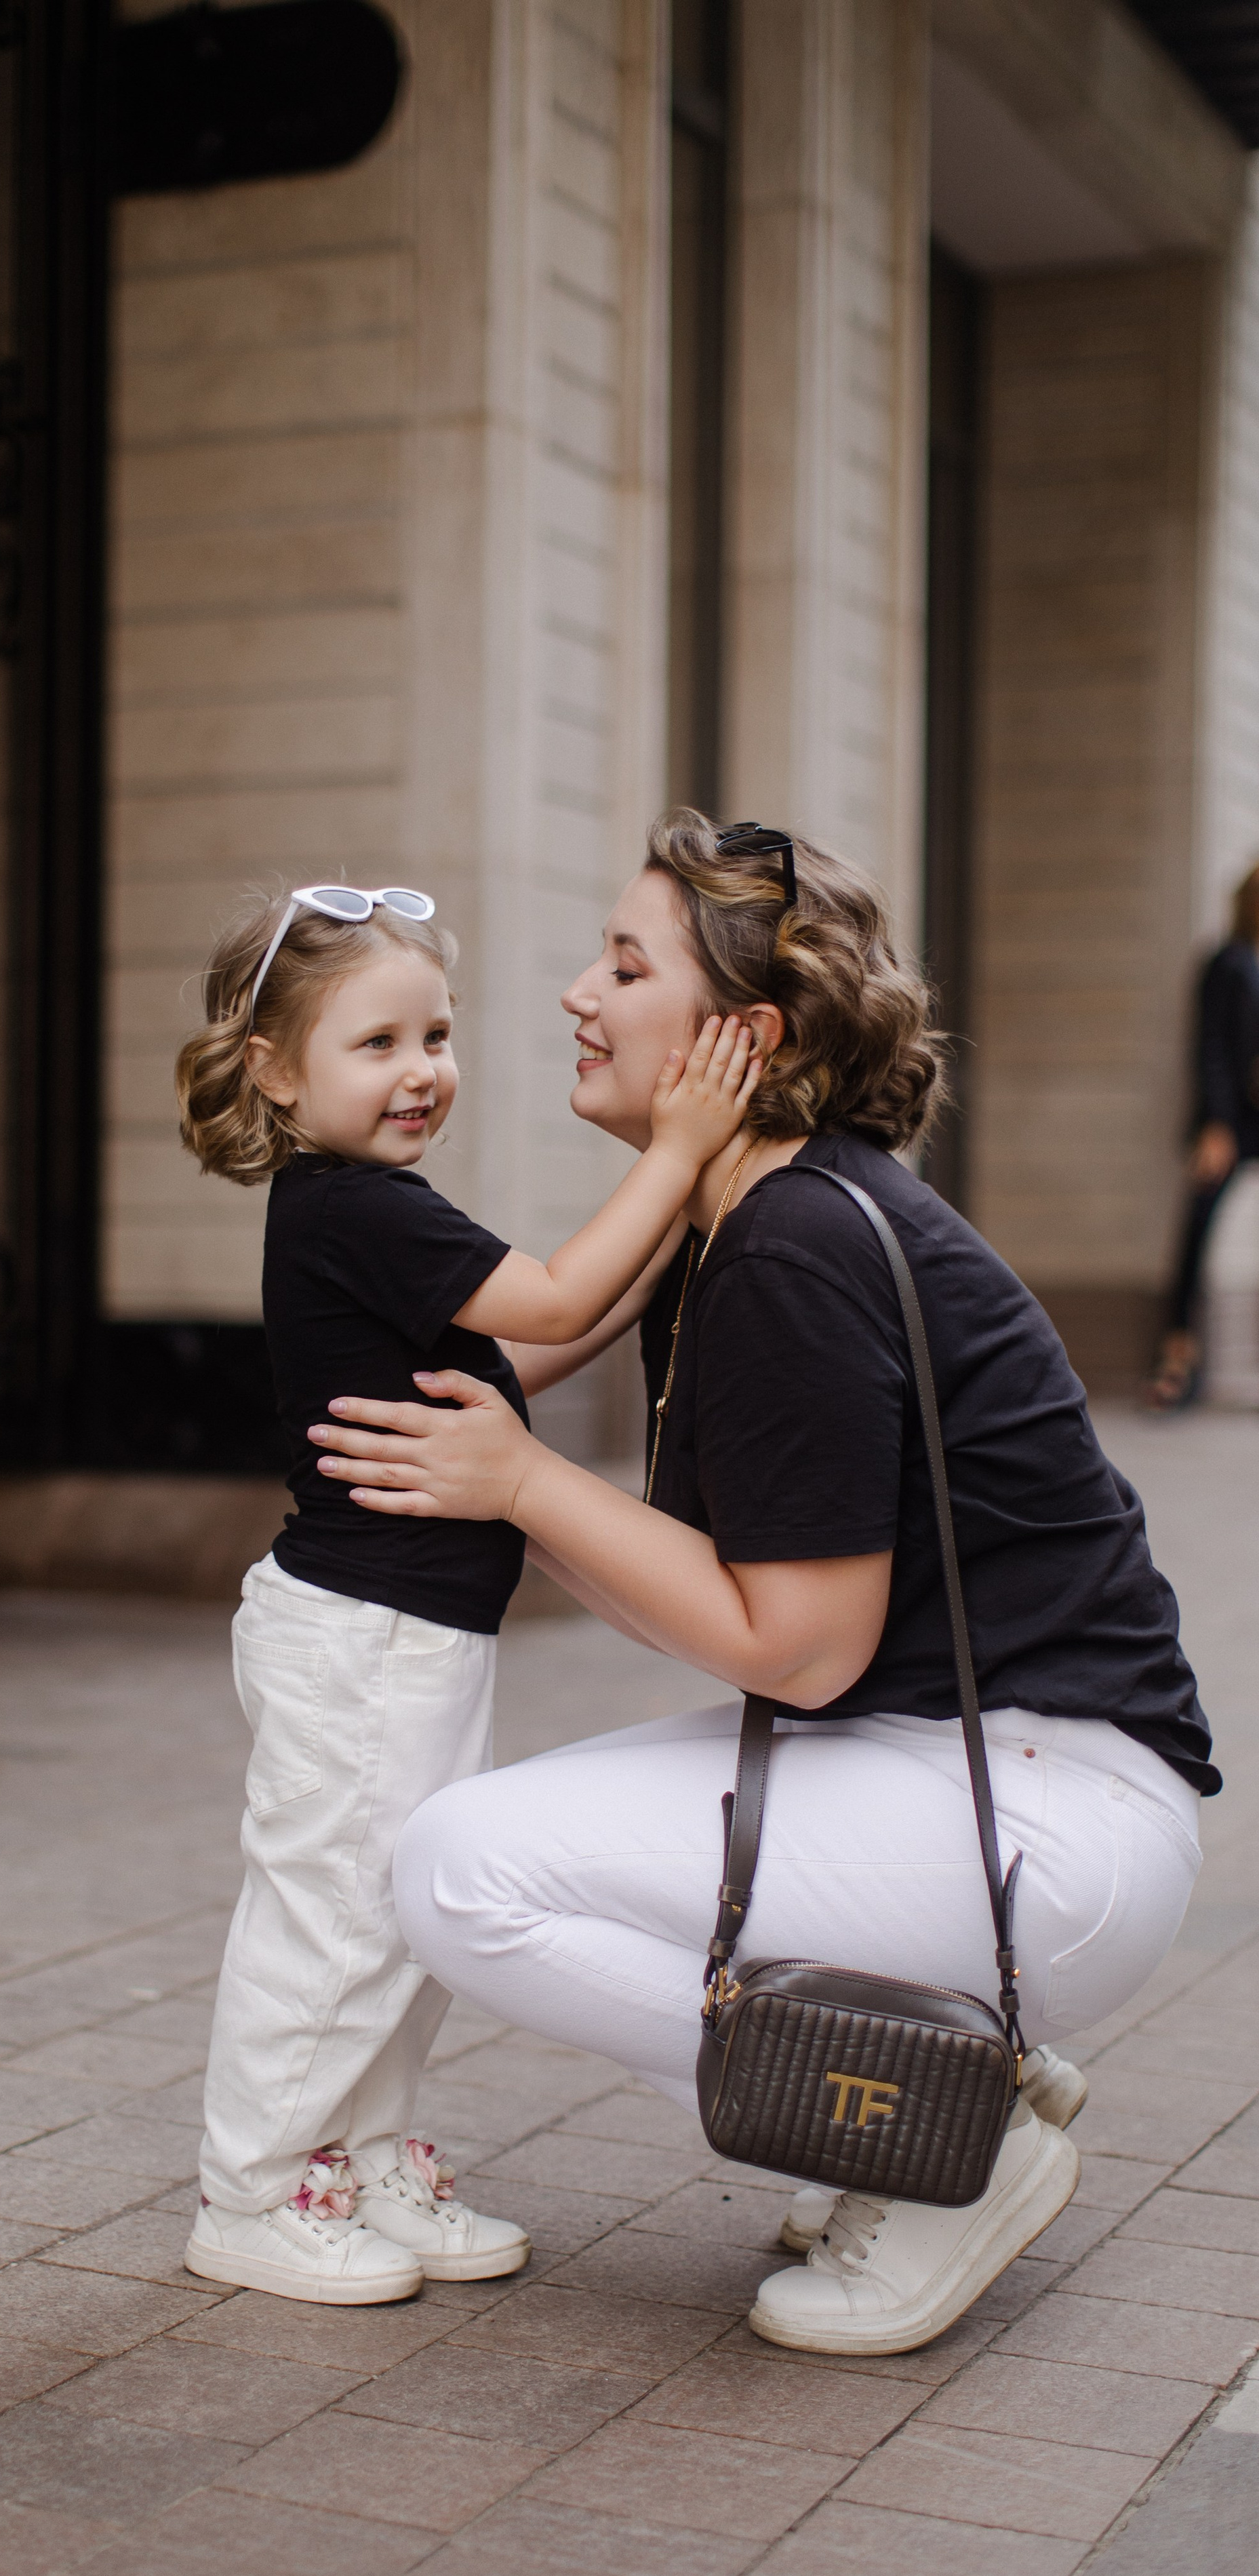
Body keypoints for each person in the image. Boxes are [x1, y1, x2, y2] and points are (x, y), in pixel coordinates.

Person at [308, 809, 1216, 2358]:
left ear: (741, 1034)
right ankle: (926, 2080)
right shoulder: (742, 1212)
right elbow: (493, 1361)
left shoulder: (791, 1244)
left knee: (464, 1869)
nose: (572, 997)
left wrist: (525, 1487)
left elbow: (794, 1647)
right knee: (486, 1847)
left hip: (1042, 1818)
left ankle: (937, 2147)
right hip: (980, 1778)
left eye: (620, 963)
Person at [171, 879, 762, 2305]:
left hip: (406, 1635)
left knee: (397, 1918)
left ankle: (362, 2160)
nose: (420, 1069)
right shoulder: (355, 1209)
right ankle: (248, 2193)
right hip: (360, 1637)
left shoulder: (371, 1209)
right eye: (375, 1044)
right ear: (273, 1069)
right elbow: (553, 1302)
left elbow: (512, 1360)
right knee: (334, 1918)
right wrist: (679, 1155)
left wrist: (673, 1228)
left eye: (433, 1035)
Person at [1146, 861, 1259, 1408]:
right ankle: (1177, 1357)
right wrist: (1215, 1124)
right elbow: (1211, 1047)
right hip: (1232, 1122)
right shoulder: (1228, 963)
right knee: (1197, 1229)